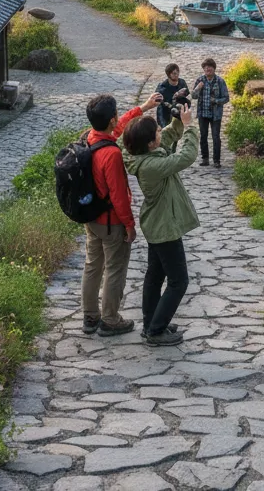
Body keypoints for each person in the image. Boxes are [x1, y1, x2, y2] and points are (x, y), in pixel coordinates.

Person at [81, 90, 163, 337]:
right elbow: (118, 196)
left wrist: (143, 108)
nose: (118, 118)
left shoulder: (90, 138)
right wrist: (129, 225)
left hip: (91, 218)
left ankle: (90, 316)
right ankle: (110, 319)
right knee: (115, 269)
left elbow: (118, 130)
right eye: (116, 114)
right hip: (111, 223)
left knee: (92, 266)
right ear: (111, 120)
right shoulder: (112, 154)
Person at [122, 104, 199, 346]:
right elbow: (186, 156)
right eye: (155, 132)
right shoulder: (152, 166)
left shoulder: (138, 155)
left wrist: (176, 121)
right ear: (149, 145)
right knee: (179, 281)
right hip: (165, 228)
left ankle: (151, 322)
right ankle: (156, 330)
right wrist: (188, 127)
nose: (159, 132)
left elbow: (164, 138)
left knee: (154, 277)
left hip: (156, 225)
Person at [192, 57, 229, 167]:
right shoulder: (200, 80)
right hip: (202, 113)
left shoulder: (220, 81)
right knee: (203, 136)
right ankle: (205, 159)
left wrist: (216, 101)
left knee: (215, 137)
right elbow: (193, 96)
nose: (208, 69)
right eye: (206, 67)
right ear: (203, 69)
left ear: (214, 69)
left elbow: (226, 98)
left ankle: (216, 160)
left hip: (215, 115)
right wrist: (198, 88)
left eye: (210, 67)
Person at [155, 63, 190, 128]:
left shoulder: (182, 83)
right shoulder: (162, 87)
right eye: (174, 73)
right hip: (166, 117)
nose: (176, 75)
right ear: (169, 75)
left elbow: (186, 96)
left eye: (177, 72)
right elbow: (159, 105)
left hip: (179, 116)